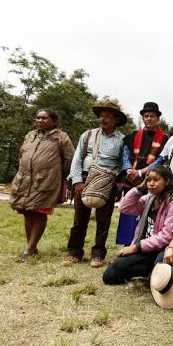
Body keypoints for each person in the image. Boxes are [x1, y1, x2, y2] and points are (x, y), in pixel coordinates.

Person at [63, 100, 126, 268]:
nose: (102, 120)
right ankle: (74, 253)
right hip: (85, 177)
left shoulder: (122, 140)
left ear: (116, 120)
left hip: (108, 181)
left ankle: (98, 255)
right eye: (101, 116)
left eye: (107, 117)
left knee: (103, 220)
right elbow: (77, 158)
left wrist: (118, 185)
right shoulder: (88, 135)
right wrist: (77, 181)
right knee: (79, 219)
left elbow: (122, 164)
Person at [9, 108, 75, 261]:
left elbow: (69, 159)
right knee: (27, 211)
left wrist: (57, 175)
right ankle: (31, 247)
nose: (40, 120)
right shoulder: (30, 135)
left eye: (44, 118)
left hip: (46, 181)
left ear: (54, 120)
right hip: (25, 180)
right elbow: (21, 155)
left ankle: (30, 248)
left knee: (40, 212)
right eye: (38, 118)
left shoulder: (61, 137)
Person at [103, 165, 173, 284]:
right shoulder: (149, 198)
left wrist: (135, 247)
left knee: (156, 284)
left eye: (155, 180)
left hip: (162, 250)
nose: (151, 183)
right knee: (110, 276)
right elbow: (125, 207)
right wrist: (140, 187)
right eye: (148, 180)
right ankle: (149, 271)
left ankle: (153, 273)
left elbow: (166, 236)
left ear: (167, 181)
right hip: (145, 250)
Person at [116, 102, 170, 245]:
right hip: (131, 180)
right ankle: (127, 244)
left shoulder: (165, 139)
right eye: (146, 116)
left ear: (158, 118)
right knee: (129, 210)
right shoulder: (132, 136)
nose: (149, 119)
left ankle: (145, 243)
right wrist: (129, 170)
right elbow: (126, 155)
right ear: (142, 118)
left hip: (152, 180)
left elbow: (162, 159)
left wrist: (141, 173)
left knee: (149, 213)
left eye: (152, 116)